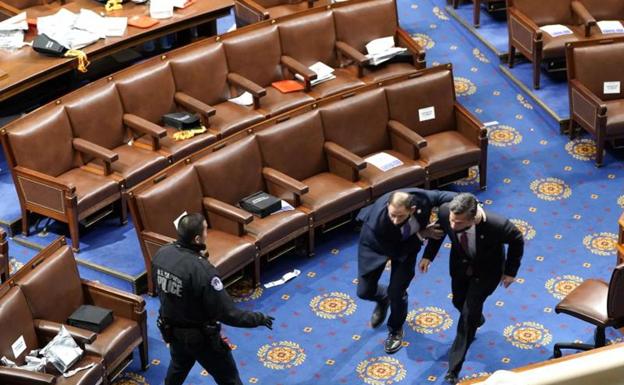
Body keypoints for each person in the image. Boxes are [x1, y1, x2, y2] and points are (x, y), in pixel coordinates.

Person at [152, 213, 275, 385]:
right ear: (196, 239)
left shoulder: (161, 254)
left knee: (178, 367)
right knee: (229, 379)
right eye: (205, 230)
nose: (206, 234)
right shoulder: (202, 270)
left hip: (173, 330)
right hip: (201, 339)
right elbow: (228, 313)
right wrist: (259, 319)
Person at [419, 193, 524, 384]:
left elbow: (517, 239)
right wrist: (428, 255)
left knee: (467, 316)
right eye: (452, 220)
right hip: (460, 267)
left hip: (487, 273)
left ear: (473, 218)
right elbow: (439, 232)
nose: (453, 225)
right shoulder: (445, 213)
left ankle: (453, 369)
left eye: (458, 223)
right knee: (458, 301)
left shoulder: (497, 225)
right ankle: (477, 318)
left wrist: (511, 271)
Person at [356, 188, 456, 354]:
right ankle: (383, 298)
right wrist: (420, 235)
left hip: (407, 248)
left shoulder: (422, 199)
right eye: (392, 214)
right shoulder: (379, 222)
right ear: (388, 206)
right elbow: (394, 250)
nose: (395, 220)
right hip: (377, 247)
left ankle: (395, 329)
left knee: (397, 291)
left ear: (412, 209)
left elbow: (447, 197)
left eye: (400, 216)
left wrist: (472, 205)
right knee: (364, 291)